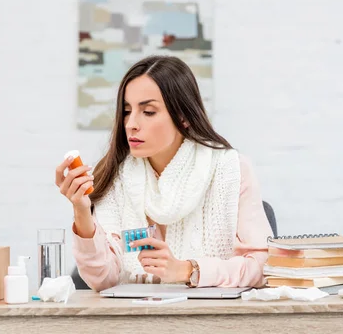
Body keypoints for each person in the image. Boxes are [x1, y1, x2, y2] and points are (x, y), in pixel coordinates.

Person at [55, 55, 272, 291]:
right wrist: (82, 211)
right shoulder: (115, 176)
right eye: (127, 111)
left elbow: (263, 267)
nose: (131, 124)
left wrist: (189, 270)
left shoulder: (231, 170)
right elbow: (102, 280)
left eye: (148, 112)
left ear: (183, 117)